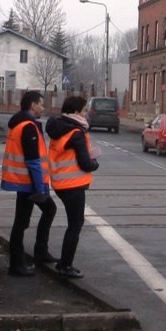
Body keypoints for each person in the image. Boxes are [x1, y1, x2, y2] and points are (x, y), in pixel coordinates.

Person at [1, 90, 58, 277]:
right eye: (41, 104)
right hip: (29, 183)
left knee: (26, 219)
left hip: (24, 182)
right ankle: (19, 263)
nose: (43, 107)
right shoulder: (28, 127)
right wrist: (41, 189)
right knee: (26, 220)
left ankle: (33, 255)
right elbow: (33, 161)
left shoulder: (20, 123)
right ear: (33, 105)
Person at [45, 95, 100, 279]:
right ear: (77, 112)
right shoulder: (76, 133)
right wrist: (95, 164)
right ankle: (65, 265)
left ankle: (64, 263)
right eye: (84, 110)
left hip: (60, 183)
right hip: (73, 185)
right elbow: (85, 163)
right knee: (75, 225)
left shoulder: (59, 128)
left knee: (73, 224)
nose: (85, 114)